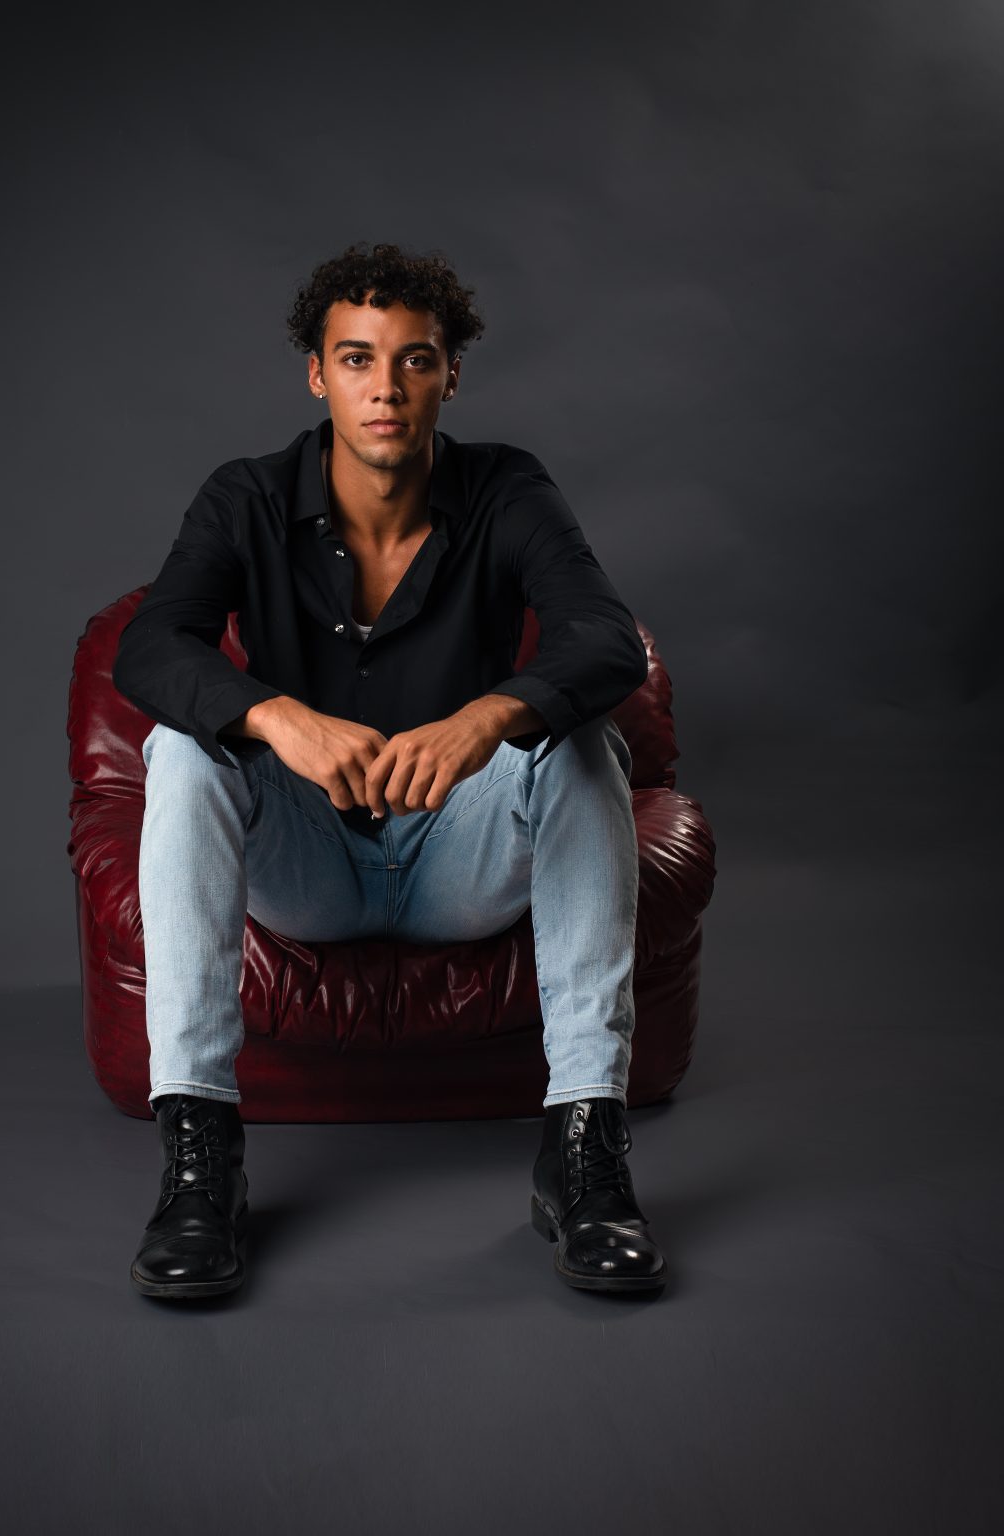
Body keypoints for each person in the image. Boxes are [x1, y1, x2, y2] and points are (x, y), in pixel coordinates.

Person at [112, 240, 667, 1300]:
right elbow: (151, 646)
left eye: (414, 360)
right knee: (183, 747)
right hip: (307, 864)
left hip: (462, 861)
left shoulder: (506, 487)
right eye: (357, 359)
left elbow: (604, 640)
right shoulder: (245, 497)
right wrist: (276, 717)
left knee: (582, 743)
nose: (385, 388)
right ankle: (200, 1160)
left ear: (449, 375)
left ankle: (585, 1152)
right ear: (316, 374)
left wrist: (486, 717)